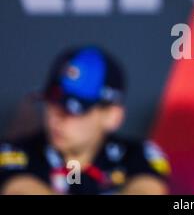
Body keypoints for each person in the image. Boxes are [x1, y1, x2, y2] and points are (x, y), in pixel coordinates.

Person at [0, 46, 170, 195]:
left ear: (112, 116)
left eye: (73, 110)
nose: (57, 118)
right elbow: (19, 189)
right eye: (53, 102)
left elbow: (147, 190)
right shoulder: (18, 152)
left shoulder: (137, 155)